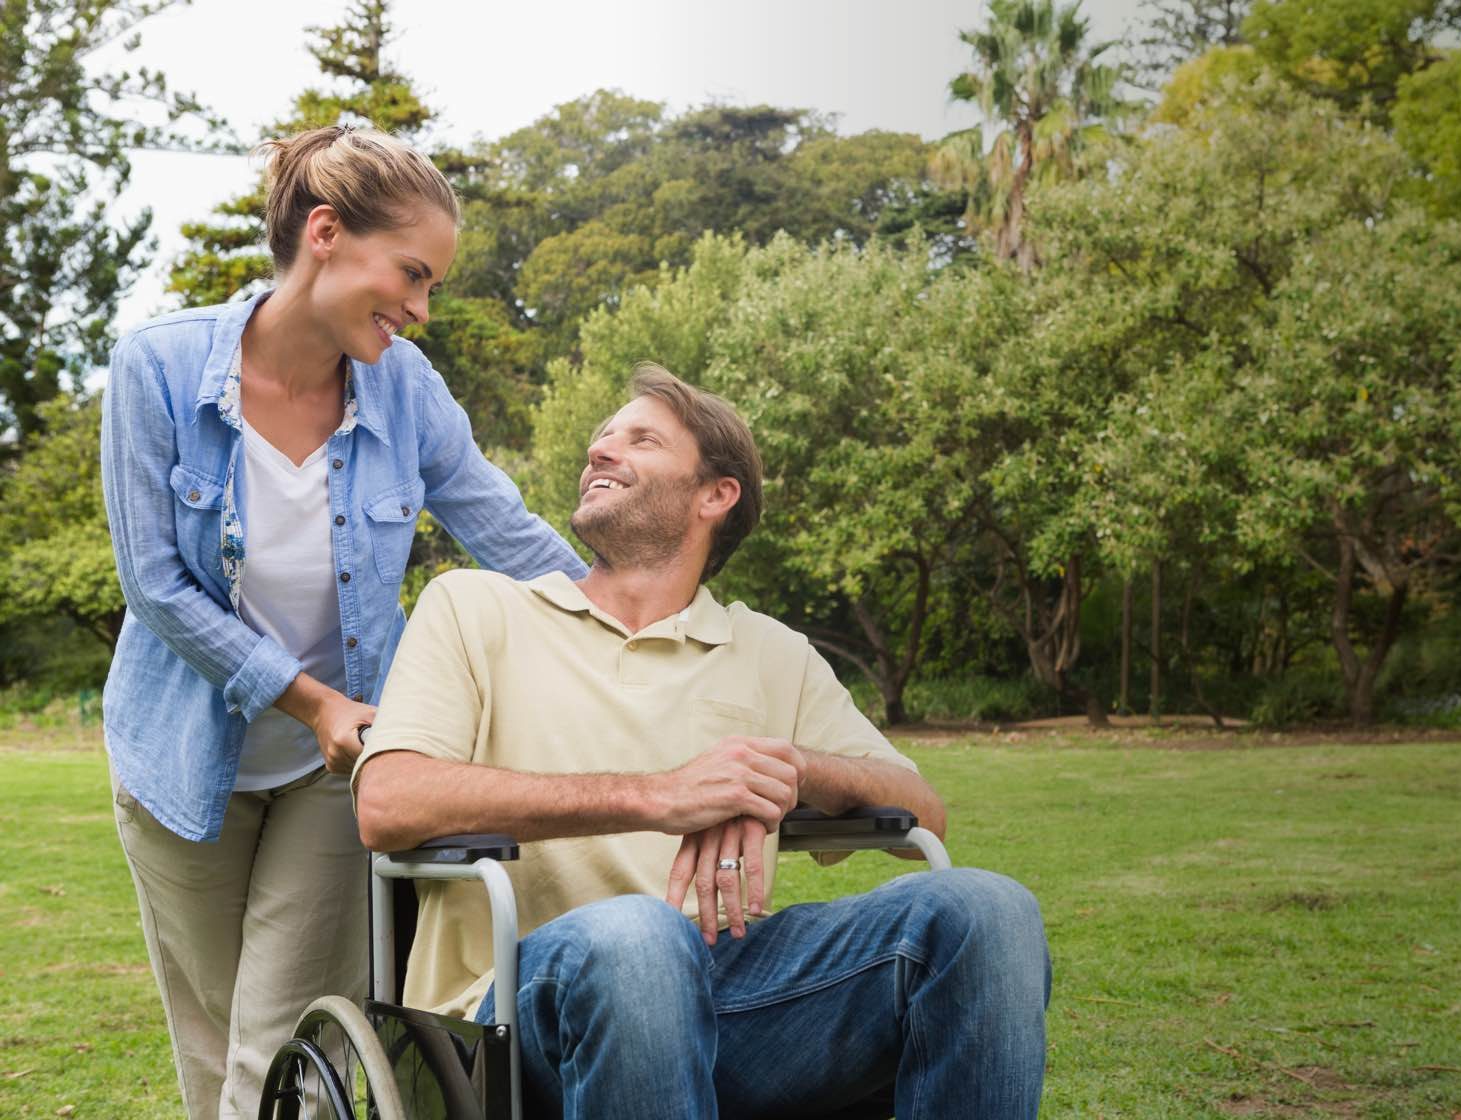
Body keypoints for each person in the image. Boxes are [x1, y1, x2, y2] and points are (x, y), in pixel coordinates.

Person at [354, 365, 1052, 1119]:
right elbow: (389, 802)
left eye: (640, 439)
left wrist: (788, 767)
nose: (600, 451)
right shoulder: (476, 606)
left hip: (732, 995)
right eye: (601, 439)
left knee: (989, 910)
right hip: (511, 1014)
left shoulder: (770, 650)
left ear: (715, 496)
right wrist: (660, 796)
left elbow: (924, 814)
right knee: (639, 938)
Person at [100, 125, 587, 1119]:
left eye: (432, 287)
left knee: (282, 1039)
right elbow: (154, 582)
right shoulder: (155, 370)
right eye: (412, 274)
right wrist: (306, 695)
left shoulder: (404, 389)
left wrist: (635, 619)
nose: (420, 310)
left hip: (338, 763)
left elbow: (504, 526)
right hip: (175, 759)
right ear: (325, 232)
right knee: (212, 1048)